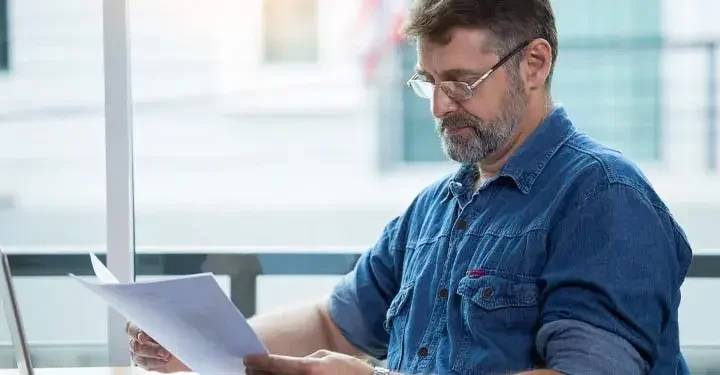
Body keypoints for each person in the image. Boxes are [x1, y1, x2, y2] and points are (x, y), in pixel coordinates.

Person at [127, 0, 693, 373]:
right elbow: (333, 322)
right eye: (429, 83)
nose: (441, 106)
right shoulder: (436, 208)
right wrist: (208, 350)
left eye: (462, 82)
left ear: (535, 64)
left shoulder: (604, 197)